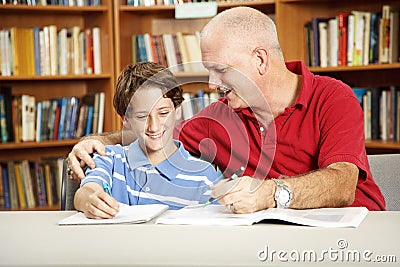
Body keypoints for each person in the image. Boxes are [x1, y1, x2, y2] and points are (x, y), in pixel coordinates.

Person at [69, 7, 385, 213]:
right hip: (267, 243)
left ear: (260, 60)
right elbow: (156, 131)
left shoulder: (332, 98)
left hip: (351, 236)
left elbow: (343, 183)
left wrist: (271, 193)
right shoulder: (218, 117)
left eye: (220, 69)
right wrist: (98, 140)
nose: (211, 82)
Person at [74, 62, 218, 219]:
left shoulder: (203, 174)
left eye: (163, 113)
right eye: (142, 117)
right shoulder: (109, 158)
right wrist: (89, 199)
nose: (154, 126)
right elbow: (86, 191)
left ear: (178, 111)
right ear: (126, 120)